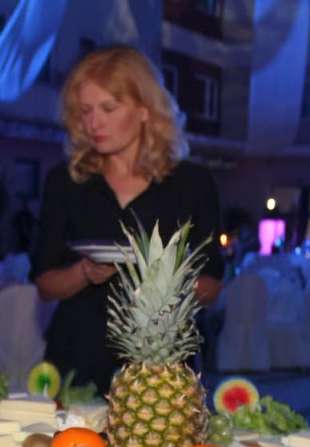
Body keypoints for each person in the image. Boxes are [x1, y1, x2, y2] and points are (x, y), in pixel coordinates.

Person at [32, 45, 225, 394]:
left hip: (160, 370)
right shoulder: (66, 181)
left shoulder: (192, 183)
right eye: (86, 110)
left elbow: (211, 288)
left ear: (145, 109)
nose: (94, 123)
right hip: (77, 358)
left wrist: (163, 278)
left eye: (108, 108)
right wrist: (84, 272)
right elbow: (45, 284)